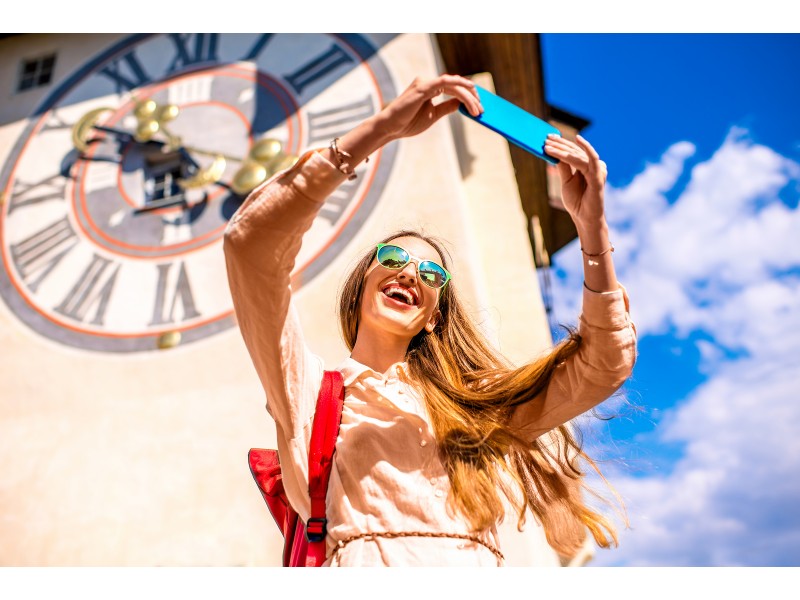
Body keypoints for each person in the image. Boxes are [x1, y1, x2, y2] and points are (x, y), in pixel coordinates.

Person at [223, 74, 637, 567]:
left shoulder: (478, 411)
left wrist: (592, 229)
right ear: (362, 286)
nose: (410, 272)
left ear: (433, 318)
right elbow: (251, 245)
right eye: (393, 256)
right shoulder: (307, 391)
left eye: (431, 272)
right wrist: (378, 132)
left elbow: (604, 363)